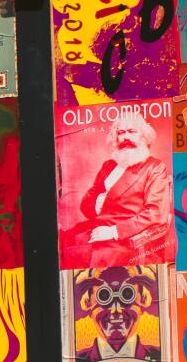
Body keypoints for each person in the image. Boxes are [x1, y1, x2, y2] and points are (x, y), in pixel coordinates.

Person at [68, 113, 171, 265]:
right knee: (63, 244)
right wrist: (100, 204)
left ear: (143, 136)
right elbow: (86, 205)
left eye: (132, 131)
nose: (126, 138)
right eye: (121, 133)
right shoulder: (108, 166)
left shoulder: (154, 168)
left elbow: (155, 213)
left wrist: (113, 232)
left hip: (124, 239)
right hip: (94, 229)